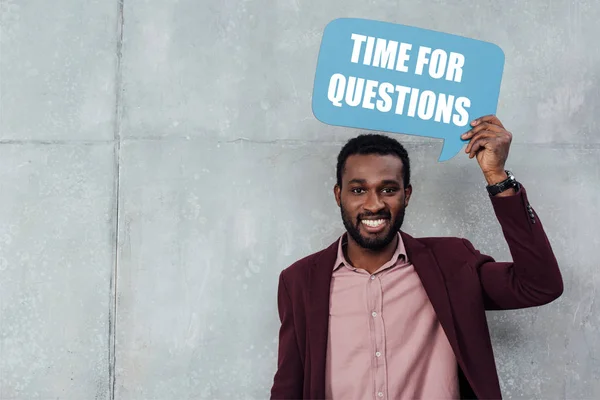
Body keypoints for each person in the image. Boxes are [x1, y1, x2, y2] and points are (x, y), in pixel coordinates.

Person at [269, 115, 563, 400]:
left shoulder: (452, 263)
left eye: (388, 189)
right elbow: (288, 387)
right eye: (358, 190)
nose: (374, 204)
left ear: (406, 195)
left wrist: (497, 178)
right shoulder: (300, 281)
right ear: (339, 195)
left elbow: (539, 285)